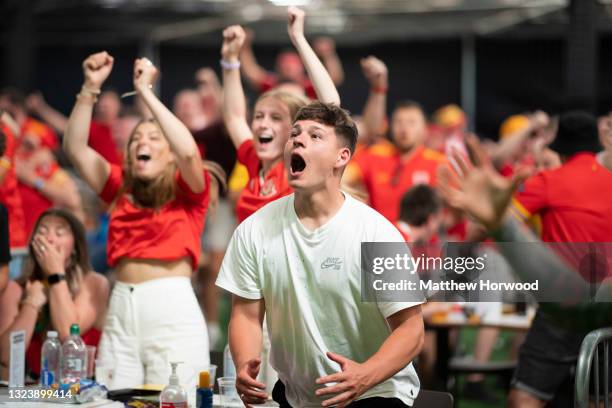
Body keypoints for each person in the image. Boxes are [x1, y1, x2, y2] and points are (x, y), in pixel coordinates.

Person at [217, 101, 424, 407]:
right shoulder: (254, 229)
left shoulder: (378, 234)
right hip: (296, 395)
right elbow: (246, 314)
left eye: (315, 136)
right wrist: (246, 362)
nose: (298, 139)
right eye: (296, 134)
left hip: (375, 393)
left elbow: (411, 330)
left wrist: (364, 375)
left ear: (342, 157)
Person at [62, 51, 211, 388]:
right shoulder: (119, 186)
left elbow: (188, 151)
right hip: (122, 303)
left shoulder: (189, 189)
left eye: (154, 138)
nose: (142, 142)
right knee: (114, 396)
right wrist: (89, 88)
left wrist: (146, 93)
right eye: (136, 141)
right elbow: (74, 148)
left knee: (177, 399)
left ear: (169, 152)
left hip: (171, 305)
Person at [221, 7, 340, 223]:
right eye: (258, 116)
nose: (263, 124)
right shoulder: (253, 161)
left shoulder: (301, 163)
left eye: (276, 118)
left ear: (294, 130)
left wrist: (298, 38)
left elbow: (332, 103)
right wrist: (230, 58)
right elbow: (234, 117)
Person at [0, 209, 109, 381]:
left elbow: (68, 334)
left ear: (74, 247)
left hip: (81, 390)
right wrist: (31, 303)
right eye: (42, 232)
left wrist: (55, 273)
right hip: (33, 391)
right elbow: (5, 357)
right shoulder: (16, 288)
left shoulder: (94, 283)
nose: (49, 239)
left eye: (59, 233)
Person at [344, 95, 447, 223]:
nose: (404, 129)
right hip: (381, 239)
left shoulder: (439, 163)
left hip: (420, 242)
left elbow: (456, 208)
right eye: (398, 122)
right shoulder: (374, 155)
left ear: (425, 129)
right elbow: (341, 179)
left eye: (412, 122)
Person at [239, 28, 344, 99]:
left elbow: (333, 79)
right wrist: (245, 46)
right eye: (285, 66)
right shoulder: (272, 84)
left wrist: (328, 54)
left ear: (302, 68)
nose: (288, 69)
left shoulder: (309, 86)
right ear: (278, 67)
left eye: (293, 66)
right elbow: (251, 72)